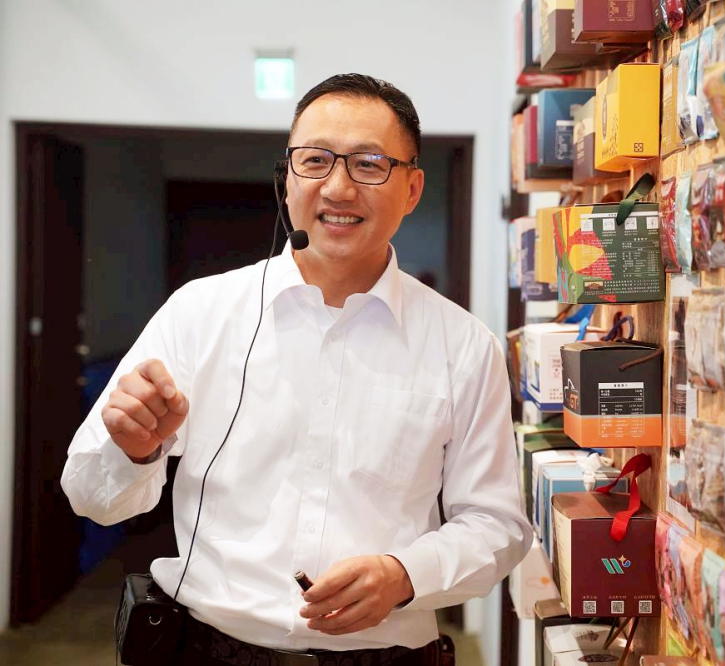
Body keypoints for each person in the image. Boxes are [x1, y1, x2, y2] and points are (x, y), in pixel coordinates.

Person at [61, 73, 533, 665]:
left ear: (412, 189)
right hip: (205, 649)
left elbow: (498, 525)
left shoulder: (463, 345)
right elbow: (90, 496)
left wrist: (406, 574)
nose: (337, 188)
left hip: (382, 656)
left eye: (368, 164)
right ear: (287, 178)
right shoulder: (200, 312)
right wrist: (133, 452)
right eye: (315, 161)